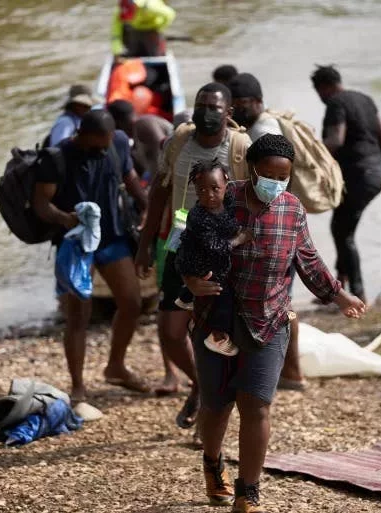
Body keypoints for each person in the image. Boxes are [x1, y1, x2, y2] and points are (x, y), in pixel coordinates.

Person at [183, 134, 365, 512]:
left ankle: (247, 493)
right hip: (215, 319)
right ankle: (212, 463)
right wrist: (188, 280)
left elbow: (308, 260)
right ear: (251, 170)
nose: (276, 184)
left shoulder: (292, 209)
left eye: (283, 177)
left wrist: (338, 295)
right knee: (217, 406)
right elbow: (182, 243)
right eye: (268, 175)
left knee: (257, 406)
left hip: (268, 321)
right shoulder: (221, 197)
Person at [135, 82, 251, 430]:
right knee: (171, 332)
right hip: (180, 247)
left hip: (224, 253)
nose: (206, 112)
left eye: (215, 107)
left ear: (228, 113)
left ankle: (213, 418)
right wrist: (144, 243)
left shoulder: (240, 148)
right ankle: (200, 385)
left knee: (216, 336)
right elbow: (160, 189)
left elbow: (253, 201)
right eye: (201, 105)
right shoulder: (179, 141)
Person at [33, 110, 150, 402]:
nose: (104, 148)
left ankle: (116, 366)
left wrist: (147, 207)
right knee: (77, 316)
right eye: (99, 143)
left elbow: (130, 176)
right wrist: (64, 218)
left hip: (111, 237)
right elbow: (40, 204)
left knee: (132, 302)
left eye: (108, 142)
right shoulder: (56, 158)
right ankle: (77, 386)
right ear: (82, 135)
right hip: (75, 244)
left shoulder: (118, 143)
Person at [227, 72, 306, 391]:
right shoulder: (255, 129)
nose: (235, 111)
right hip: (269, 227)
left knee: (282, 309)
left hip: (276, 228)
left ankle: (290, 371)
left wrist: (337, 294)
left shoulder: (263, 132)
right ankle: (289, 372)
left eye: (240, 105)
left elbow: (308, 257)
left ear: (257, 103)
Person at [107, 99, 184, 394]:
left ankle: (192, 373)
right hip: (170, 236)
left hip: (185, 234)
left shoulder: (149, 130)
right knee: (168, 304)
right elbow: (155, 202)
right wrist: (145, 247)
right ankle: (171, 374)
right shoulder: (170, 153)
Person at [312, 64, 381, 303]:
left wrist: (310, 155)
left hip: (358, 175)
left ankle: (357, 293)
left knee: (342, 232)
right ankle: (341, 285)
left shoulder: (336, 103)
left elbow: (336, 140)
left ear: (323, 88)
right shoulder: (364, 98)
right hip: (375, 172)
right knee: (342, 228)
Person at [174, 159, 252, 356]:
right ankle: (217, 336)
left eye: (215, 188)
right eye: (201, 190)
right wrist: (239, 239)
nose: (208, 195)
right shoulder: (198, 216)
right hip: (198, 262)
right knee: (222, 294)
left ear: (226, 182)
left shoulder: (229, 201)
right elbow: (214, 246)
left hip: (206, 259)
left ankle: (185, 298)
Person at [111, 0, 175, 58]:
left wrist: (159, 28)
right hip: (134, 29)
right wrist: (116, 51)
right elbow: (116, 33)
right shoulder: (121, 10)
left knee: (154, 55)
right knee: (132, 51)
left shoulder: (150, 7)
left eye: (129, 16)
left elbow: (170, 14)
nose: (128, 19)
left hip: (152, 29)